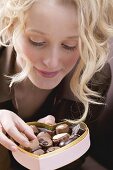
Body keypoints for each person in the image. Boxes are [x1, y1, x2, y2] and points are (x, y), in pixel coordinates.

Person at [0, 0, 113, 169]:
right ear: (9, 26)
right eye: (37, 41)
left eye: (69, 46)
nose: (52, 62)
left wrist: (51, 152)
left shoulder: (93, 77)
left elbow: (75, 161)